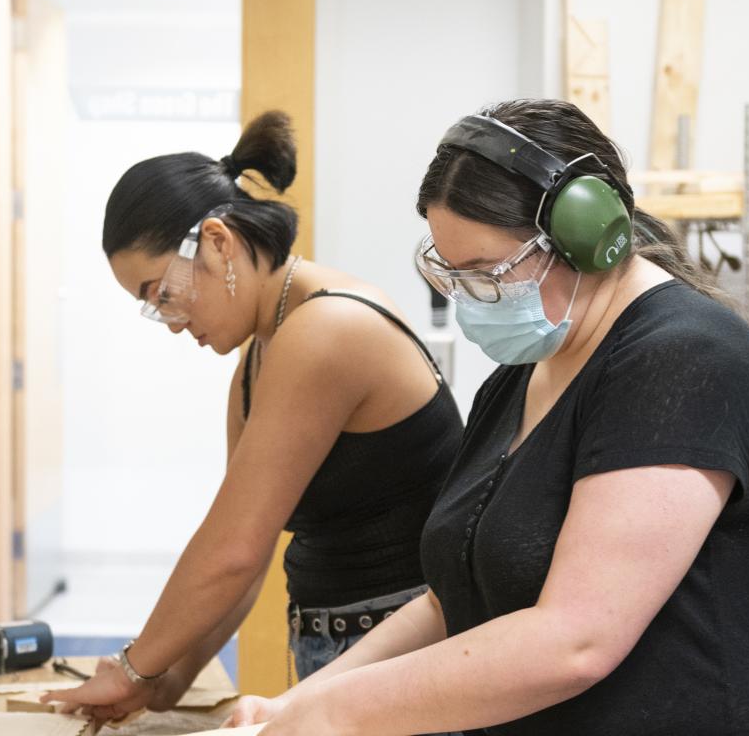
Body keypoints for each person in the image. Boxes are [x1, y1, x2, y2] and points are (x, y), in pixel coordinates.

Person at [224, 99, 749, 735]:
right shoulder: (523, 375)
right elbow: (454, 601)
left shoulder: (687, 361)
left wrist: (342, 713)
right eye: (451, 273)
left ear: (587, 238)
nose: (471, 299)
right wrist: (300, 704)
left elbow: (576, 639)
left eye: (487, 272)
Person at [41, 111, 464, 720]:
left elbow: (231, 549)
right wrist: (165, 683)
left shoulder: (325, 329)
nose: (171, 320)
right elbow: (250, 554)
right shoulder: (258, 362)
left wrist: (135, 665)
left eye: (161, 292)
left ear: (216, 241)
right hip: (345, 653)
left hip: (405, 660)